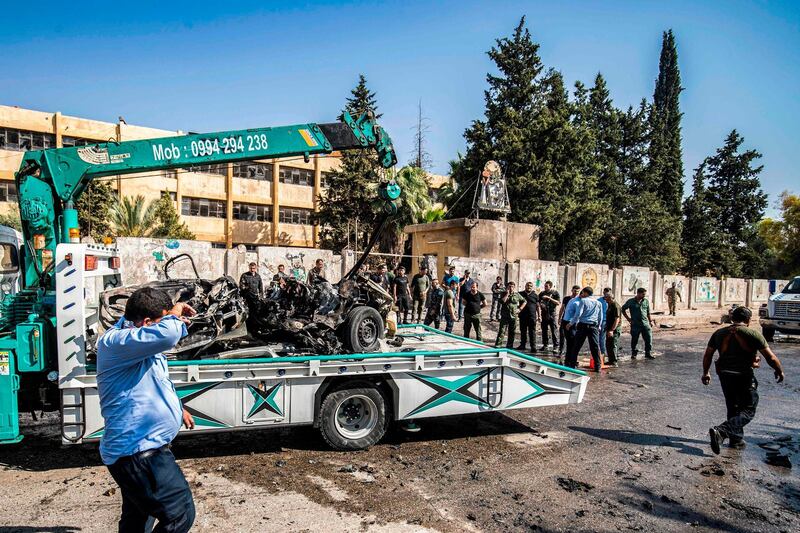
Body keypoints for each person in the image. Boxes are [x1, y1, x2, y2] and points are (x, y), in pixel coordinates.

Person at [96, 287, 197, 532]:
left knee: (137, 520)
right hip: (139, 453)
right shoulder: (117, 341)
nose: (173, 321)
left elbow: (154, 379)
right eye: (164, 319)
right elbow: (168, 335)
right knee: (180, 514)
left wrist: (176, 407)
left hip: (137, 452)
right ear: (147, 322)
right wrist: (174, 313)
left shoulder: (138, 342)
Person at [703, 306, 785, 454]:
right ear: (748, 319)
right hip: (743, 375)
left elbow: (708, 355)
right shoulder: (752, 333)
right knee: (748, 409)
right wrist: (779, 370)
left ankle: (736, 440)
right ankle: (721, 431)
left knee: (733, 406)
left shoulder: (719, 333)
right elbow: (771, 357)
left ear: (732, 318)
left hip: (724, 374)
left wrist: (706, 373)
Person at [566, 287, 602, 371]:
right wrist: (599, 326)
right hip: (594, 326)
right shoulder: (598, 302)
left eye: (583, 292)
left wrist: (570, 323)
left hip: (583, 326)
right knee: (595, 347)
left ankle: (572, 365)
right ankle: (598, 366)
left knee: (576, 346)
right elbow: (600, 316)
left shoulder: (583, 301)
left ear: (586, 293)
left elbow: (578, 314)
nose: (582, 294)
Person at [622, 287, 656, 359]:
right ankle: (634, 353)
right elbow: (623, 309)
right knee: (634, 340)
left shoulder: (645, 301)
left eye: (645, 294)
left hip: (645, 324)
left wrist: (650, 321)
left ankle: (648, 353)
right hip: (635, 324)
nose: (644, 295)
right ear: (638, 293)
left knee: (648, 339)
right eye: (643, 294)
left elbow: (648, 312)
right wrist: (628, 319)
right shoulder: (631, 301)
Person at [495, 281, 526, 349]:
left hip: (513, 316)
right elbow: (502, 301)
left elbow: (524, 301)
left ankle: (509, 345)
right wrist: (507, 294)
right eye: (509, 286)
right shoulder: (503, 294)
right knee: (502, 331)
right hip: (505, 316)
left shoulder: (517, 294)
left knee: (512, 332)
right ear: (507, 287)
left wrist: (520, 309)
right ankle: (498, 345)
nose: (511, 288)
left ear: (514, 287)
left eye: (512, 286)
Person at [558, 285, 581, 362]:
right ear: (572, 290)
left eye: (577, 291)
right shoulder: (567, 298)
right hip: (565, 320)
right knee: (562, 335)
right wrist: (559, 318)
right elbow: (562, 308)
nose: (576, 292)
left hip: (573, 322)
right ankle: (561, 351)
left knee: (572, 339)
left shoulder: (579, 300)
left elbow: (578, 313)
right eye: (575, 291)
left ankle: (570, 356)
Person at [517, 282, 539, 352]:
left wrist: (539, 316)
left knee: (532, 332)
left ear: (532, 287)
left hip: (532, 317)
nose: (529, 287)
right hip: (522, 316)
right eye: (528, 286)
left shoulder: (535, 295)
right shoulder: (520, 294)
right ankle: (522, 345)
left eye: (530, 286)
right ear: (525, 286)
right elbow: (516, 303)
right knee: (523, 331)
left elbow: (538, 306)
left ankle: (533, 347)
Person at [538, 281, 560, 351]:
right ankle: (545, 345)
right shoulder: (542, 293)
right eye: (545, 286)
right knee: (544, 330)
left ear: (550, 286)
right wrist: (541, 305)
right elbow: (538, 302)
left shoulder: (555, 293)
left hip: (552, 314)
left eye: (546, 286)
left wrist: (549, 298)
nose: (545, 287)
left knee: (554, 331)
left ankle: (556, 346)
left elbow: (558, 303)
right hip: (544, 314)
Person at [604, 292, 622, 367]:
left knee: (613, 344)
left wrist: (612, 330)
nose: (605, 299)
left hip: (614, 329)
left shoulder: (616, 306)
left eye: (606, 298)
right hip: (609, 328)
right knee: (608, 344)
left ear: (610, 298)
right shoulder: (610, 305)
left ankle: (614, 361)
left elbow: (617, 319)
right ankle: (610, 360)